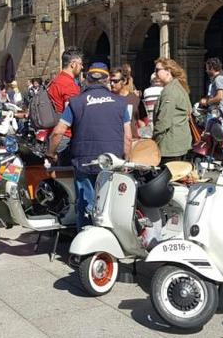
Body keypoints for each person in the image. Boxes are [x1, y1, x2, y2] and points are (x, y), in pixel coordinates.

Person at [47, 63, 130, 229]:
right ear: (107, 79)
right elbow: (127, 137)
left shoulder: (76, 102)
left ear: (87, 80)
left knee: (86, 203)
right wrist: (126, 160)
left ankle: (85, 241)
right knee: (110, 203)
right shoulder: (121, 103)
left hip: (84, 160)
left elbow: (58, 132)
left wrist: (51, 152)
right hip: (112, 161)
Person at [46, 47, 84, 162]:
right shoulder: (69, 85)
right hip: (65, 137)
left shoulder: (55, 81)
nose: (82, 67)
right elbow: (72, 112)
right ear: (73, 64)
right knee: (67, 176)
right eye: (81, 64)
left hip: (53, 133)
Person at [152, 58, 192, 163]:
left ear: (168, 71)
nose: (155, 73)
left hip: (170, 146)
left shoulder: (170, 90)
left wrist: (153, 140)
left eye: (157, 70)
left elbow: (164, 120)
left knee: (167, 177)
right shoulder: (179, 86)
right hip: (180, 142)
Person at [205, 58, 223, 155]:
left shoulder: (218, 79)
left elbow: (220, 96)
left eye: (207, 68)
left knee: (215, 136)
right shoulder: (221, 79)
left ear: (212, 68)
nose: (206, 70)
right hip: (222, 112)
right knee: (221, 136)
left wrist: (208, 102)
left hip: (217, 113)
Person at [110, 68, 147, 139]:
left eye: (115, 81)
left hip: (133, 141)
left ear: (124, 81)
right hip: (114, 141)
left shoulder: (135, 100)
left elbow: (144, 120)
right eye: (110, 81)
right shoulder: (107, 99)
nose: (112, 84)